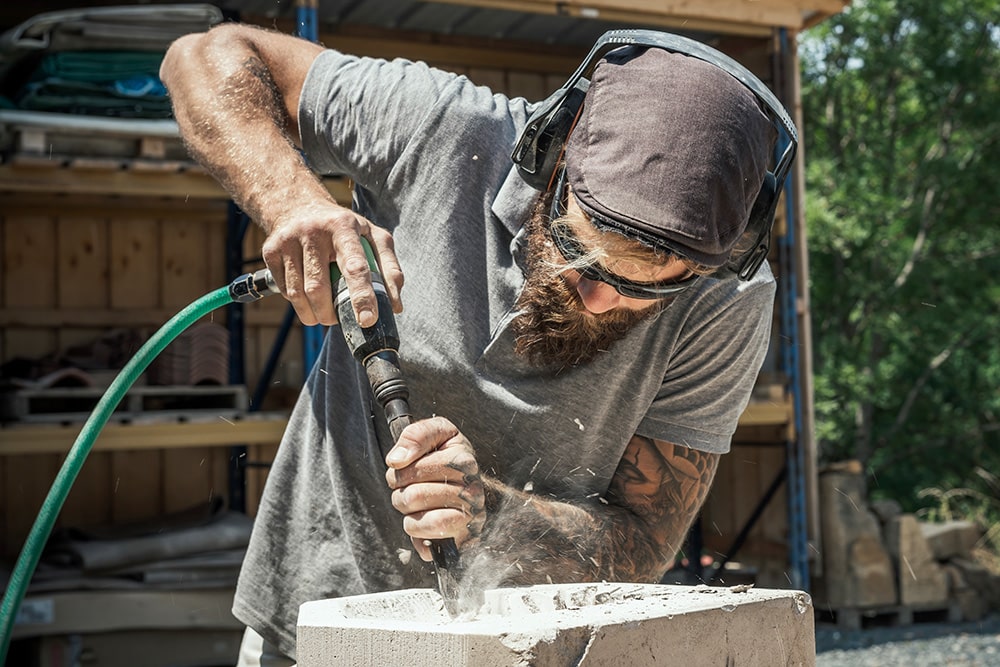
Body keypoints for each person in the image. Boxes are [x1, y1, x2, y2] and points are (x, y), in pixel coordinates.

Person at [160, 21, 784, 665]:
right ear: (558, 152)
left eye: (644, 290)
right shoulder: (446, 132)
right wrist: (291, 201)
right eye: (579, 252)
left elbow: (646, 539)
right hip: (312, 626)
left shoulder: (725, 300)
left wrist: (489, 512)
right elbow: (201, 56)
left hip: (531, 648)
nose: (600, 298)